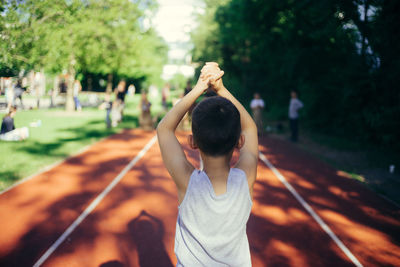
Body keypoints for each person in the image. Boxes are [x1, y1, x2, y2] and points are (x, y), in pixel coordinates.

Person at [157, 62, 258, 266]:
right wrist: (220, 89)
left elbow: (164, 129)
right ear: (239, 142)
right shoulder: (245, 179)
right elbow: (250, 128)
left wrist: (199, 87)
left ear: (192, 142)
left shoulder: (188, 182)